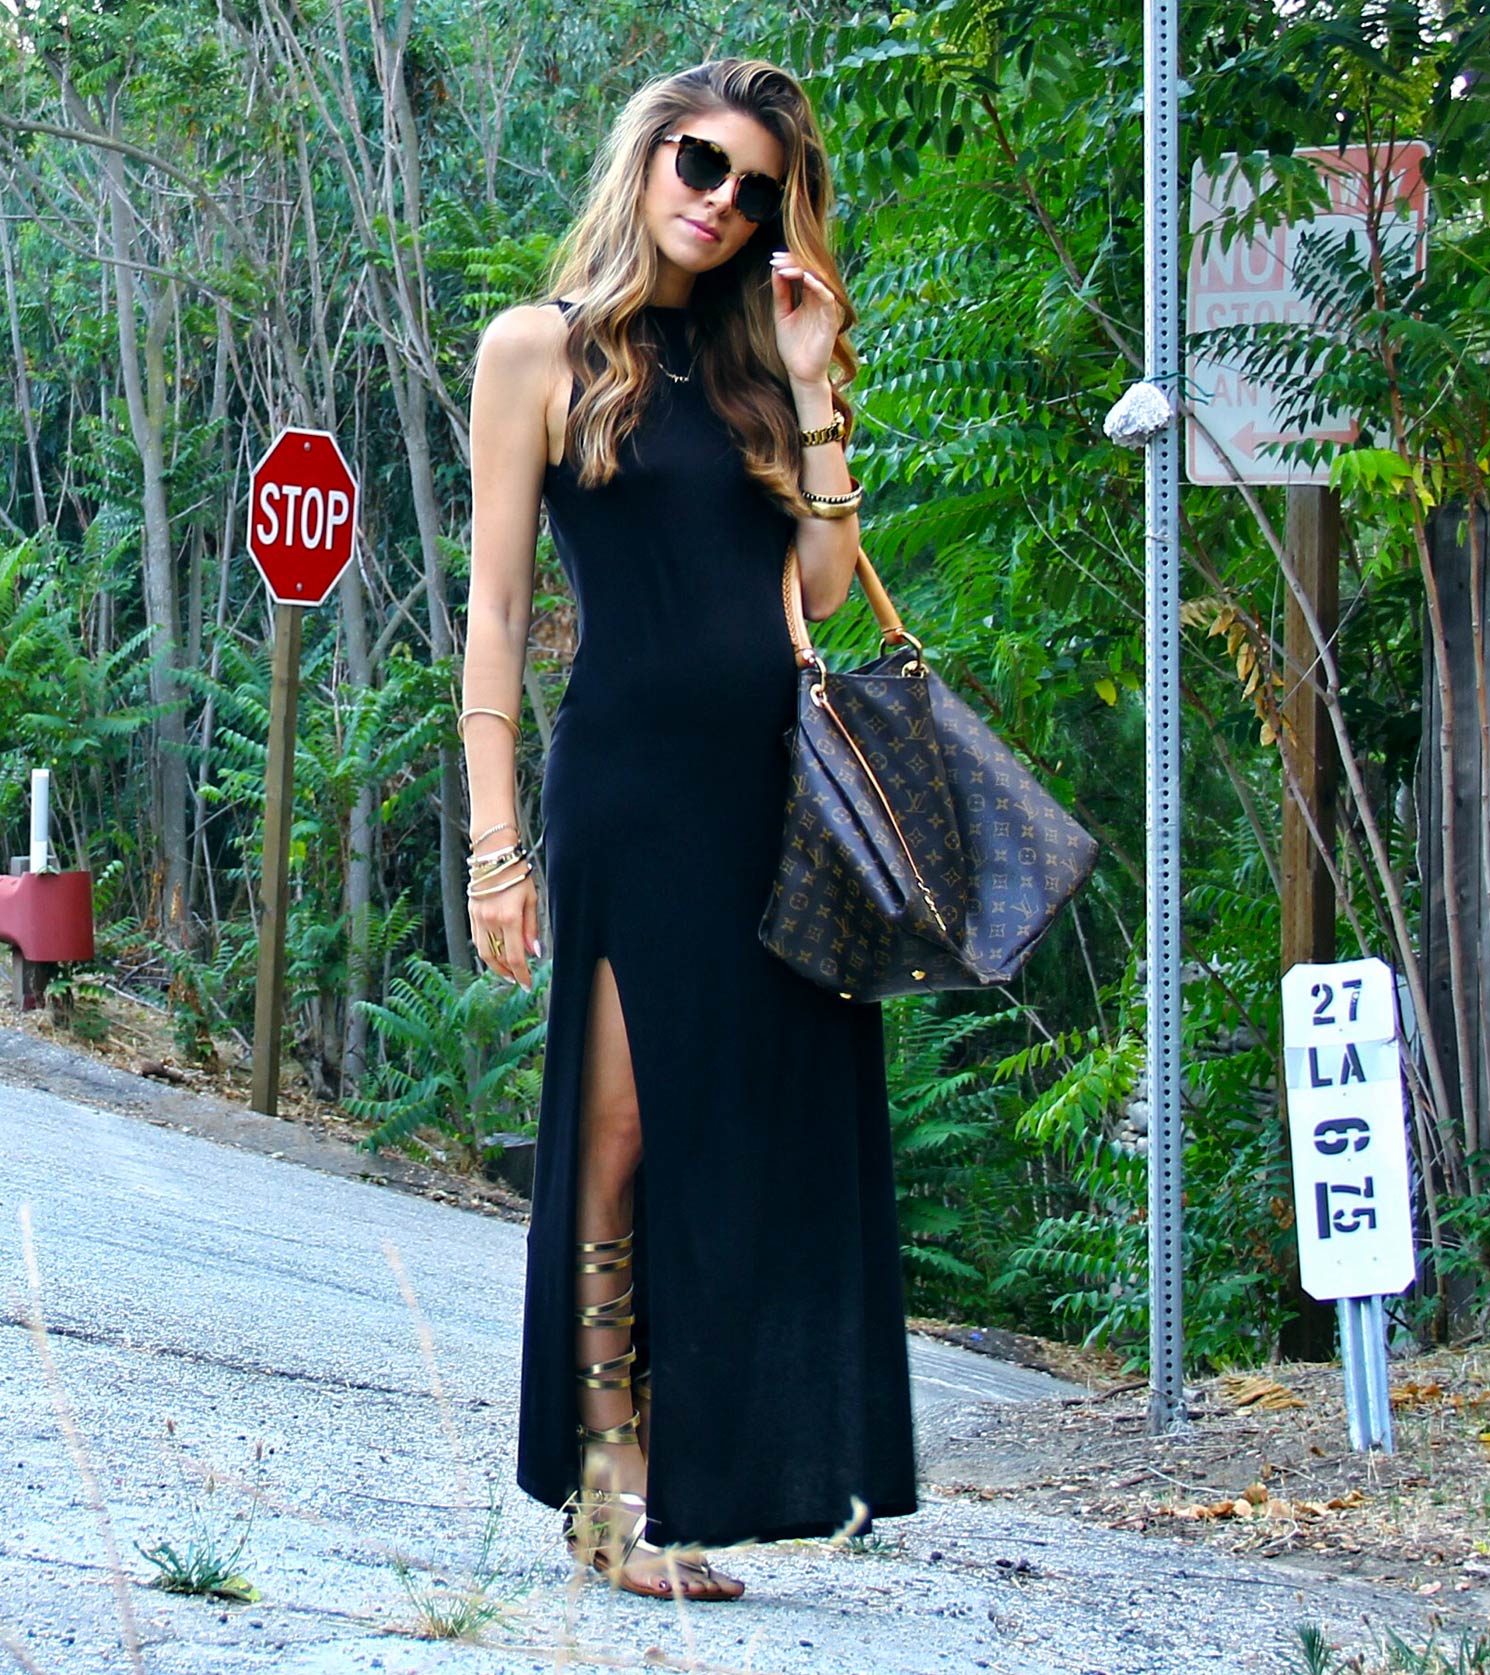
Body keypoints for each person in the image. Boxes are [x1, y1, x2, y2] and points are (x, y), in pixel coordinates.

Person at [460, 56, 917, 1602]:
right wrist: (493, 842)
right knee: (618, 1133)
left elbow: (827, 591)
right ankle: (609, 1504)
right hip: (631, 789)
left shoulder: (749, 376)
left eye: (758, 191)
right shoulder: (539, 350)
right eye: (704, 168)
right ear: (647, 154)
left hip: (767, 798)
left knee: (744, 1136)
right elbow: (502, 610)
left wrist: (813, 385)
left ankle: (706, 1467)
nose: (723, 206)